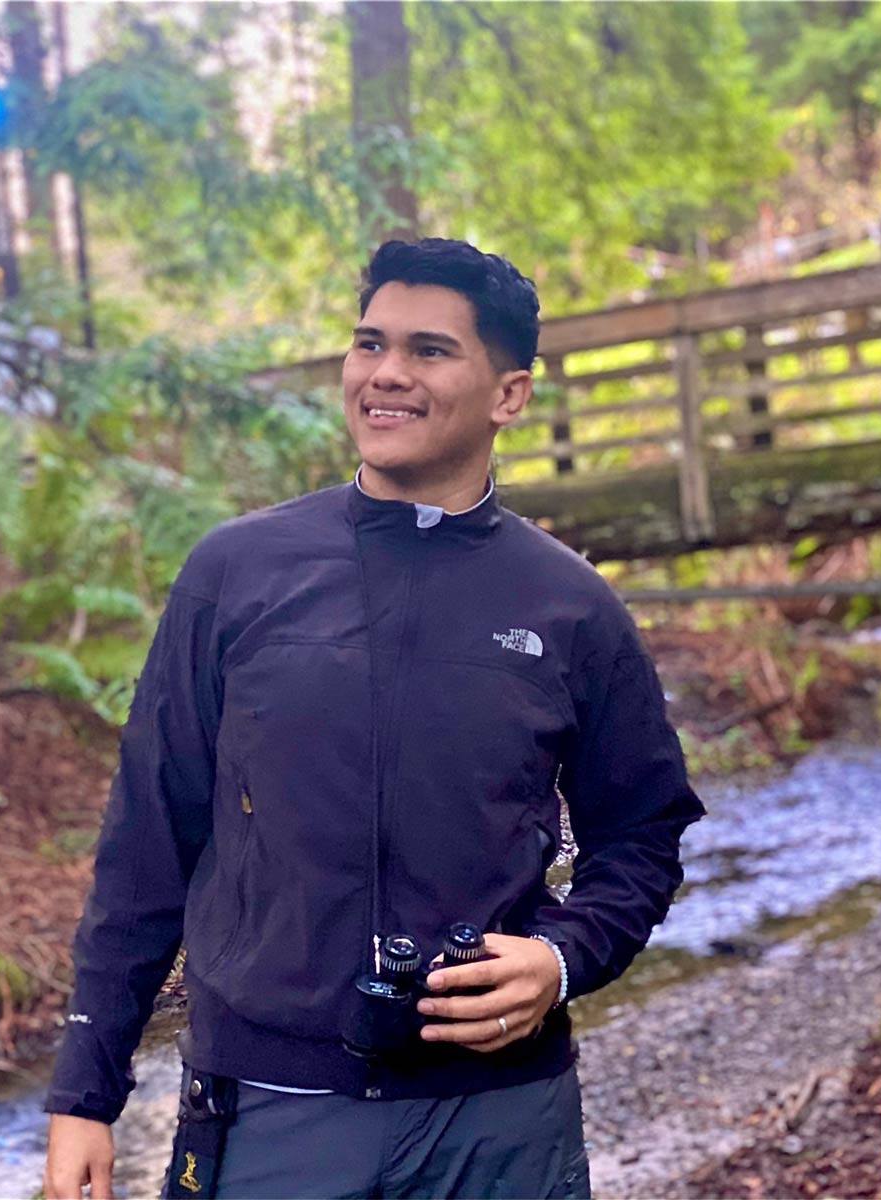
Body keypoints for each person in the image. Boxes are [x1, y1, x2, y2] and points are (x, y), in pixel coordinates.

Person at [42, 238, 705, 1199]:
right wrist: (83, 1096)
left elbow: (643, 835)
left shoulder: (571, 605)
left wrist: (562, 960)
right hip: (268, 1106)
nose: (386, 373)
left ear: (508, 394)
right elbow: (148, 840)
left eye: (430, 350)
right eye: (369, 343)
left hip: (498, 1118)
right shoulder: (235, 575)